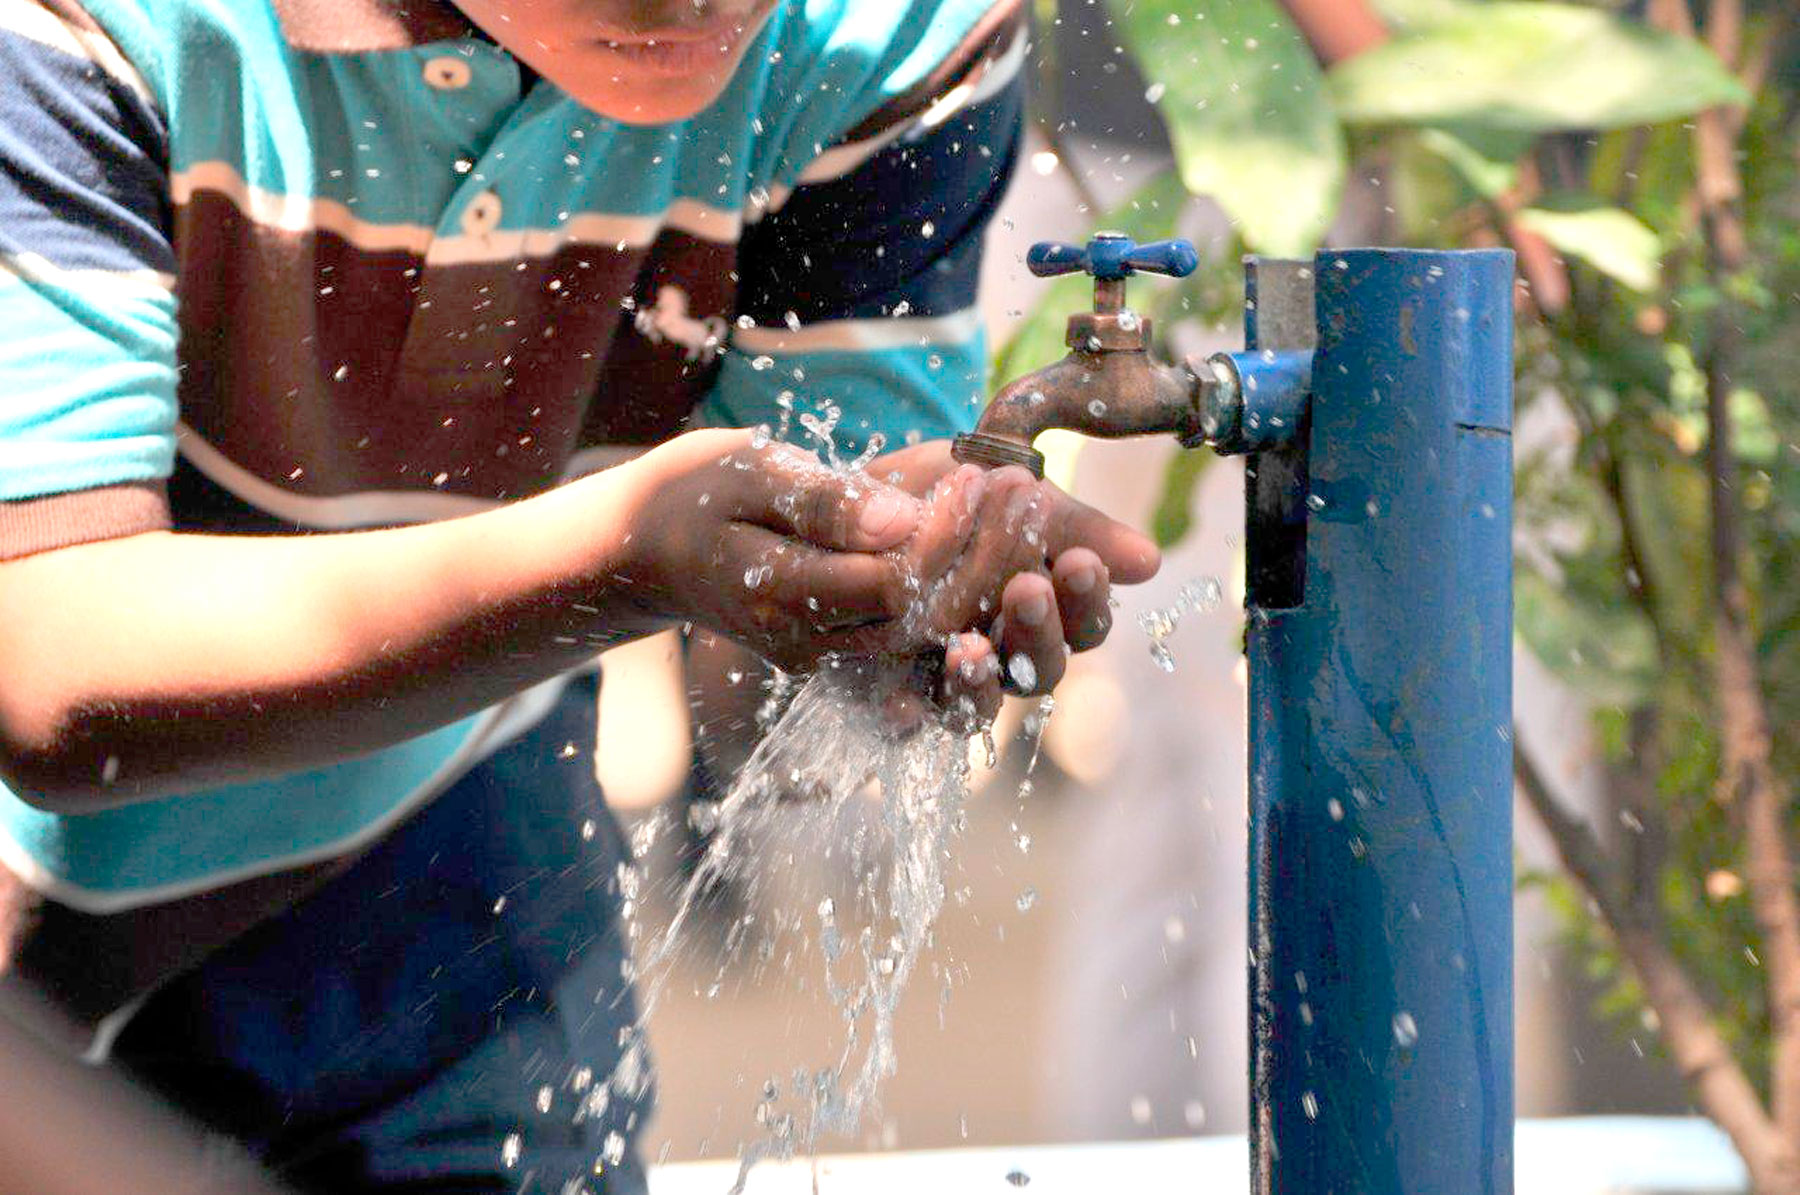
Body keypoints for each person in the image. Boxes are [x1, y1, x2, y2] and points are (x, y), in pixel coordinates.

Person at [0, 0, 1159, 1190]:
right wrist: (613, 562)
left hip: (454, 845)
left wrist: (896, 593)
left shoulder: (885, 32)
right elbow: (48, 657)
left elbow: (796, 621)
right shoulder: (101, 27)